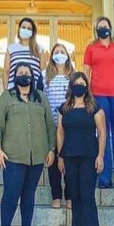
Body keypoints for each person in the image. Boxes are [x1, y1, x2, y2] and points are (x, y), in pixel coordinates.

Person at [0, 62, 56, 226]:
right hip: (13, 156)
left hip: (36, 157)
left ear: (32, 76)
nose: (24, 75)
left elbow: (50, 126)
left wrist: (51, 150)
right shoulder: (6, 97)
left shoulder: (40, 97)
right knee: (11, 195)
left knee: (28, 197)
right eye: (20, 73)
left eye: (27, 73)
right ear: (15, 76)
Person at [57, 70, 105, 226]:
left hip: (88, 157)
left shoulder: (95, 107)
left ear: (87, 86)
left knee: (87, 198)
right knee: (75, 199)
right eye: (76, 83)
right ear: (71, 86)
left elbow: (102, 132)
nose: (79, 87)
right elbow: (60, 132)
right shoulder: (64, 108)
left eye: (82, 84)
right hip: (70, 157)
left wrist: (100, 156)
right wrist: (60, 156)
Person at [83, 16, 114, 189]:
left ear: (111, 28)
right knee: (102, 134)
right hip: (98, 96)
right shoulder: (91, 48)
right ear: (96, 29)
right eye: (100, 26)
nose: (103, 29)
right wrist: (87, 94)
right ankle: (104, 179)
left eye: (106, 26)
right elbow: (86, 71)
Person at [44, 42, 74, 207]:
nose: (60, 54)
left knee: (69, 161)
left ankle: (69, 195)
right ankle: (56, 195)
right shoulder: (45, 76)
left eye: (63, 51)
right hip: (52, 126)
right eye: (57, 51)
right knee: (53, 160)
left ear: (67, 55)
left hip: (69, 126)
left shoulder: (73, 76)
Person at [3, 16, 47, 91]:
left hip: (33, 90)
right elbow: (6, 72)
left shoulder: (39, 50)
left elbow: (43, 73)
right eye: (23, 27)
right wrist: (5, 91)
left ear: (33, 32)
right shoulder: (11, 49)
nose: (26, 30)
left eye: (29, 28)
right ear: (19, 29)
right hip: (13, 90)